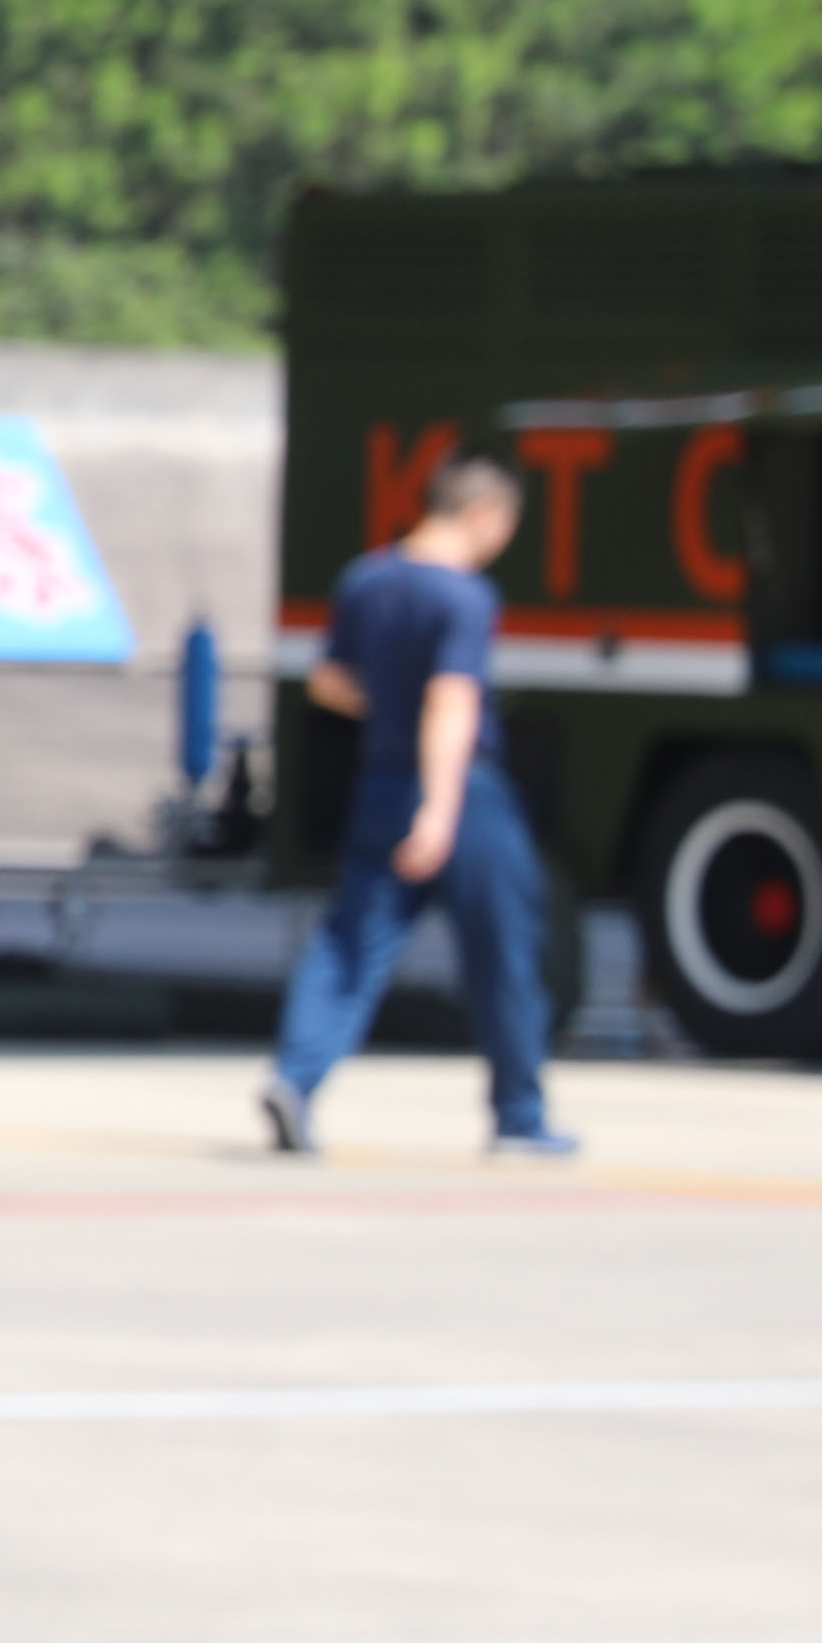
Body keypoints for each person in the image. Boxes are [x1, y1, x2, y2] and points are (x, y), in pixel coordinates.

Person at [269, 451, 559, 1158]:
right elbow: (451, 700)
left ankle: (295, 1077)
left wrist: (388, 708)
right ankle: (519, 1114)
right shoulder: (464, 597)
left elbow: (330, 683)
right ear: (484, 513)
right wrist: (440, 806)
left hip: (380, 779)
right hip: (462, 792)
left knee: (349, 944)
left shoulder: (366, 580)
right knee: (505, 951)